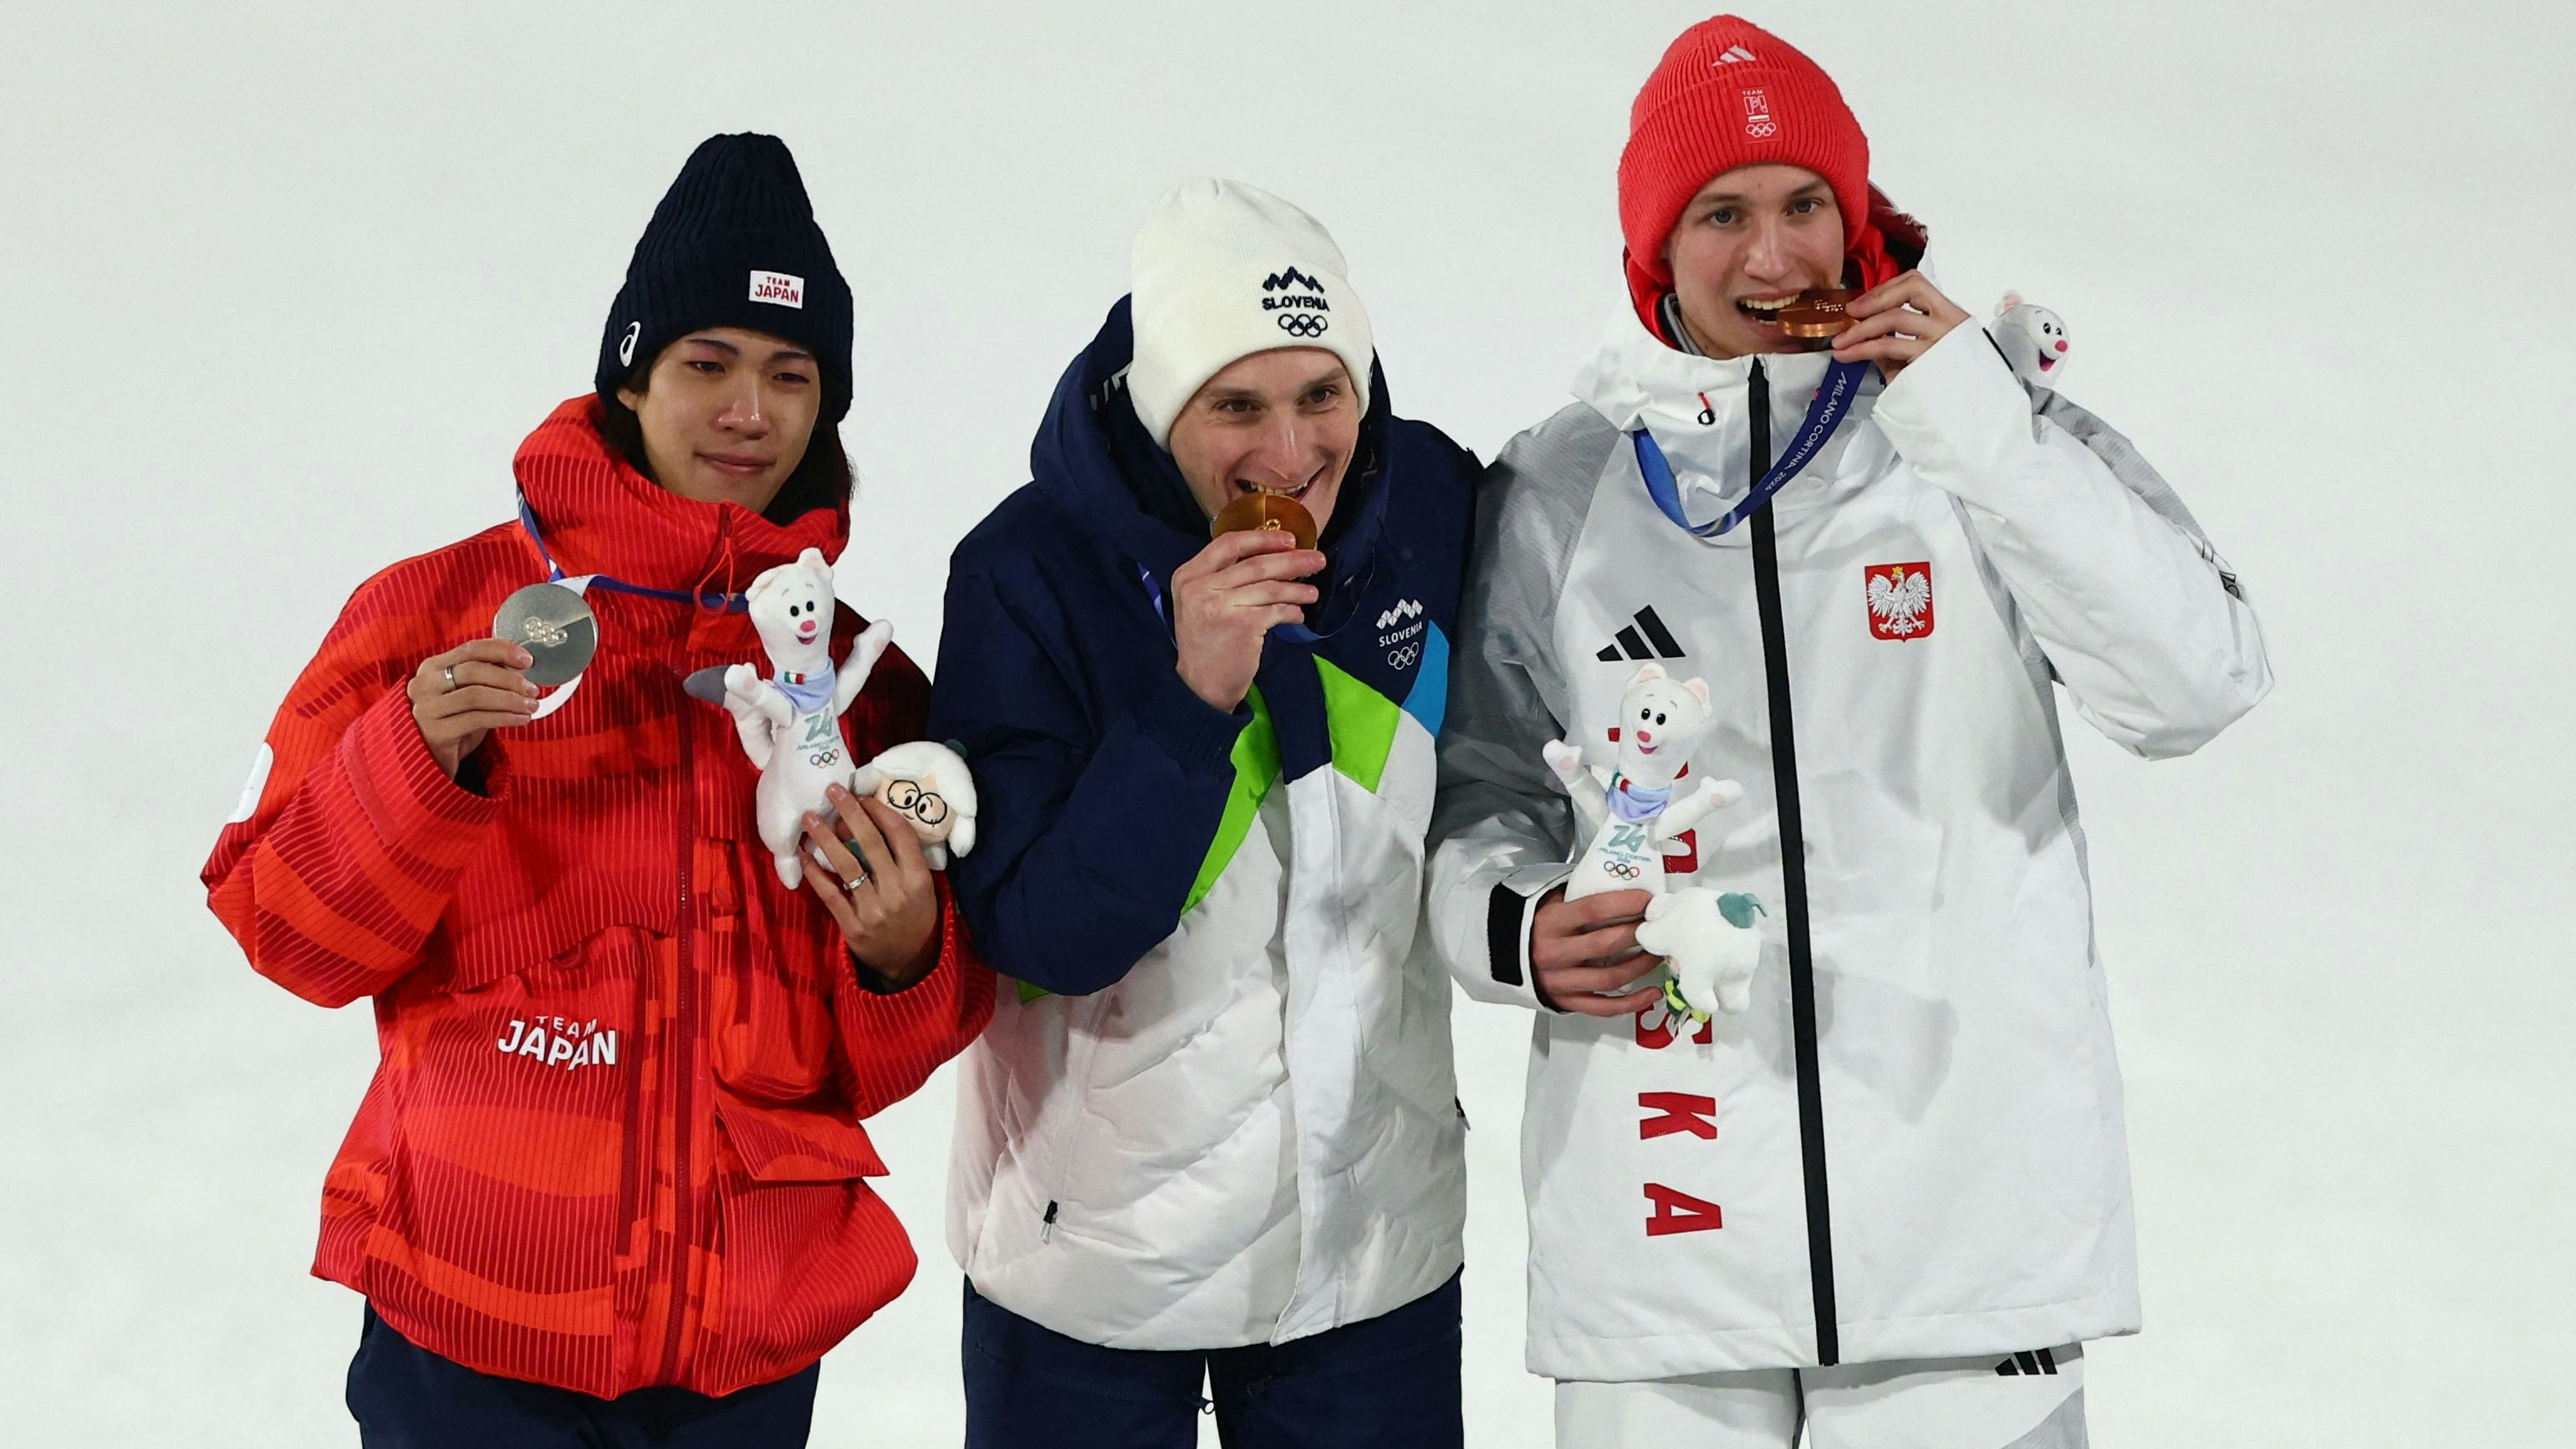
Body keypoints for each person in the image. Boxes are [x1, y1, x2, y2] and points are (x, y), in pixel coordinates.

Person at [1426, 17, 2272, 1448]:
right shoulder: (1558, 488)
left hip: (1969, 1248)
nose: (1775, 258)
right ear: (1655, 248)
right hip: (1665, 1246)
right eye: (1723, 214)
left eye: (1806, 203)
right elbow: (1475, 795)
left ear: (1857, 214)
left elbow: (2193, 680)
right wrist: (1514, 927)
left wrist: (1976, 424)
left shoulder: (1981, 432)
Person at [201, 133, 992, 1446]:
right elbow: (286, 933)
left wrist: (906, 954)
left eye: (791, 376)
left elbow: (883, 1056)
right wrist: (415, 760)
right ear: (630, 376)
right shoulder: (434, 615)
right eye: (708, 364)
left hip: (743, 1349)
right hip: (473, 1325)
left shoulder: (859, 685)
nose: (750, 411)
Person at [929, 179, 1478, 1449]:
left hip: (1369, 1256)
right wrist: (1189, 697)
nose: (1289, 455)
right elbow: (1043, 938)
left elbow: (1503, 774)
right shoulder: (1026, 573)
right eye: (1236, 404)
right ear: (1159, 403)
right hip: (1090, 1276)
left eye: (1320, 394)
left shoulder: (1431, 508)